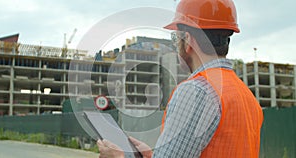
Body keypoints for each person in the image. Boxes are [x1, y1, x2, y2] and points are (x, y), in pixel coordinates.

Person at [97, 0, 264, 157]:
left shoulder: (197, 90)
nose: (176, 45)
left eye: (175, 38)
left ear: (188, 40)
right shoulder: (246, 95)